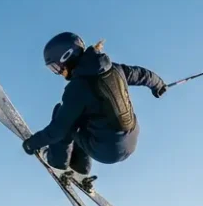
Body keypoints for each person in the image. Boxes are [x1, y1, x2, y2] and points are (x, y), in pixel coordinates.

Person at [20, 33, 167, 187]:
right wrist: (158, 85)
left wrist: (33, 143)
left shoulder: (77, 88)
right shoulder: (115, 69)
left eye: (56, 67)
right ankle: (80, 170)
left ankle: (57, 164)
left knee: (64, 115)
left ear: (67, 58)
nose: (58, 73)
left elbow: (58, 130)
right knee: (85, 115)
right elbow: (141, 74)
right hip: (131, 141)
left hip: (107, 151)